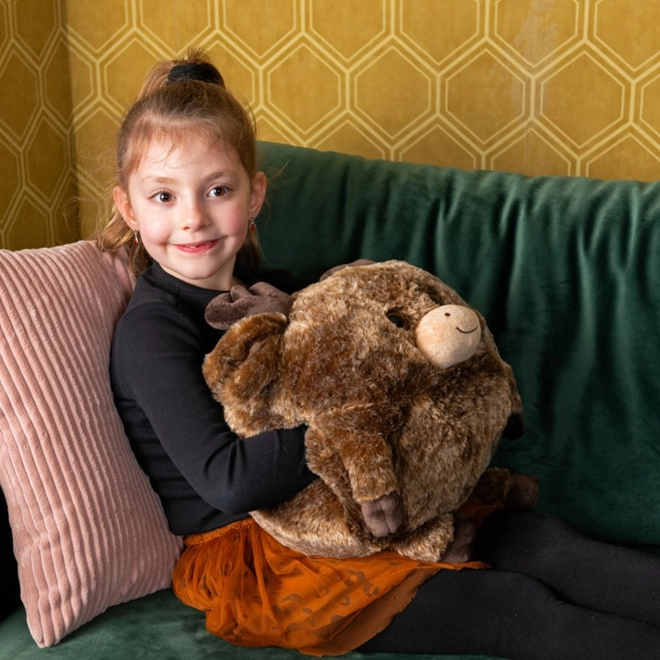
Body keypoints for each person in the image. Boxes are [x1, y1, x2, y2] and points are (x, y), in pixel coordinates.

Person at [99, 49, 660, 660]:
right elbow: (229, 481)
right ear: (128, 207)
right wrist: (358, 423)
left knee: (547, 544)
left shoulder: (277, 291)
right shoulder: (153, 332)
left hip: (363, 502)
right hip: (264, 550)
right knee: (514, 608)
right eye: (163, 196)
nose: (193, 218)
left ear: (253, 195)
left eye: (217, 190)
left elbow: (351, 349)